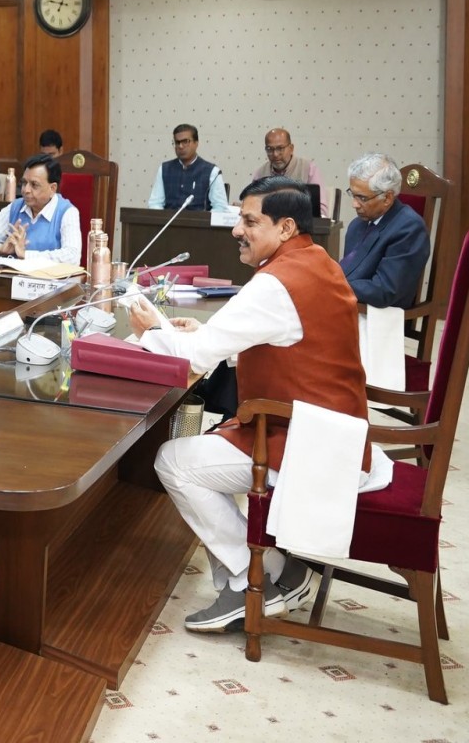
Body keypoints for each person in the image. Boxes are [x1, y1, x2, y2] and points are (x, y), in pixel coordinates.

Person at [135, 176, 391, 632]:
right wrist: (204, 335)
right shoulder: (316, 261)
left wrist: (150, 332)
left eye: (250, 220)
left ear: (286, 226)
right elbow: (283, 336)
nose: (237, 229)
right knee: (202, 448)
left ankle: (248, 580)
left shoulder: (274, 284)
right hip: (336, 431)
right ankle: (276, 570)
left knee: (174, 460)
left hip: (311, 444)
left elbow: (197, 358)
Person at [339, 153, 431, 309]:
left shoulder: (409, 228)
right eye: (352, 194)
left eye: (362, 197)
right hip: (349, 304)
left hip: (379, 314)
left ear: (387, 198)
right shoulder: (357, 225)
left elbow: (385, 290)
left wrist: (334, 285)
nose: (354, 204)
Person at [0, 155, 81, 264]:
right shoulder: (15, 207)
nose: (25, 190)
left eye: (34, 185)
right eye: (24, 183)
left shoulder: (67, 212)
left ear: (52, 188)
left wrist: (25, 255)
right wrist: (0, 248)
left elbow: (72, 256)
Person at [147, 123, 230, 212]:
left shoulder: (212, 171)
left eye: (185, 141)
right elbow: (155, 204)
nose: (180, 146)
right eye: (177, 142)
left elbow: (220, 208)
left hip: (199, 224)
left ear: (196, 143)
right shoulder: (164, 169)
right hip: (169, 223)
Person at [251, 128, 323, 188]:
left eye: (280, 148)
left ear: (291, 148)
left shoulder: (309, 169)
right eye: (270, 149)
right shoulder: (260, 174)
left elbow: (320, 204)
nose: (275, 154)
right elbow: (252, 203)